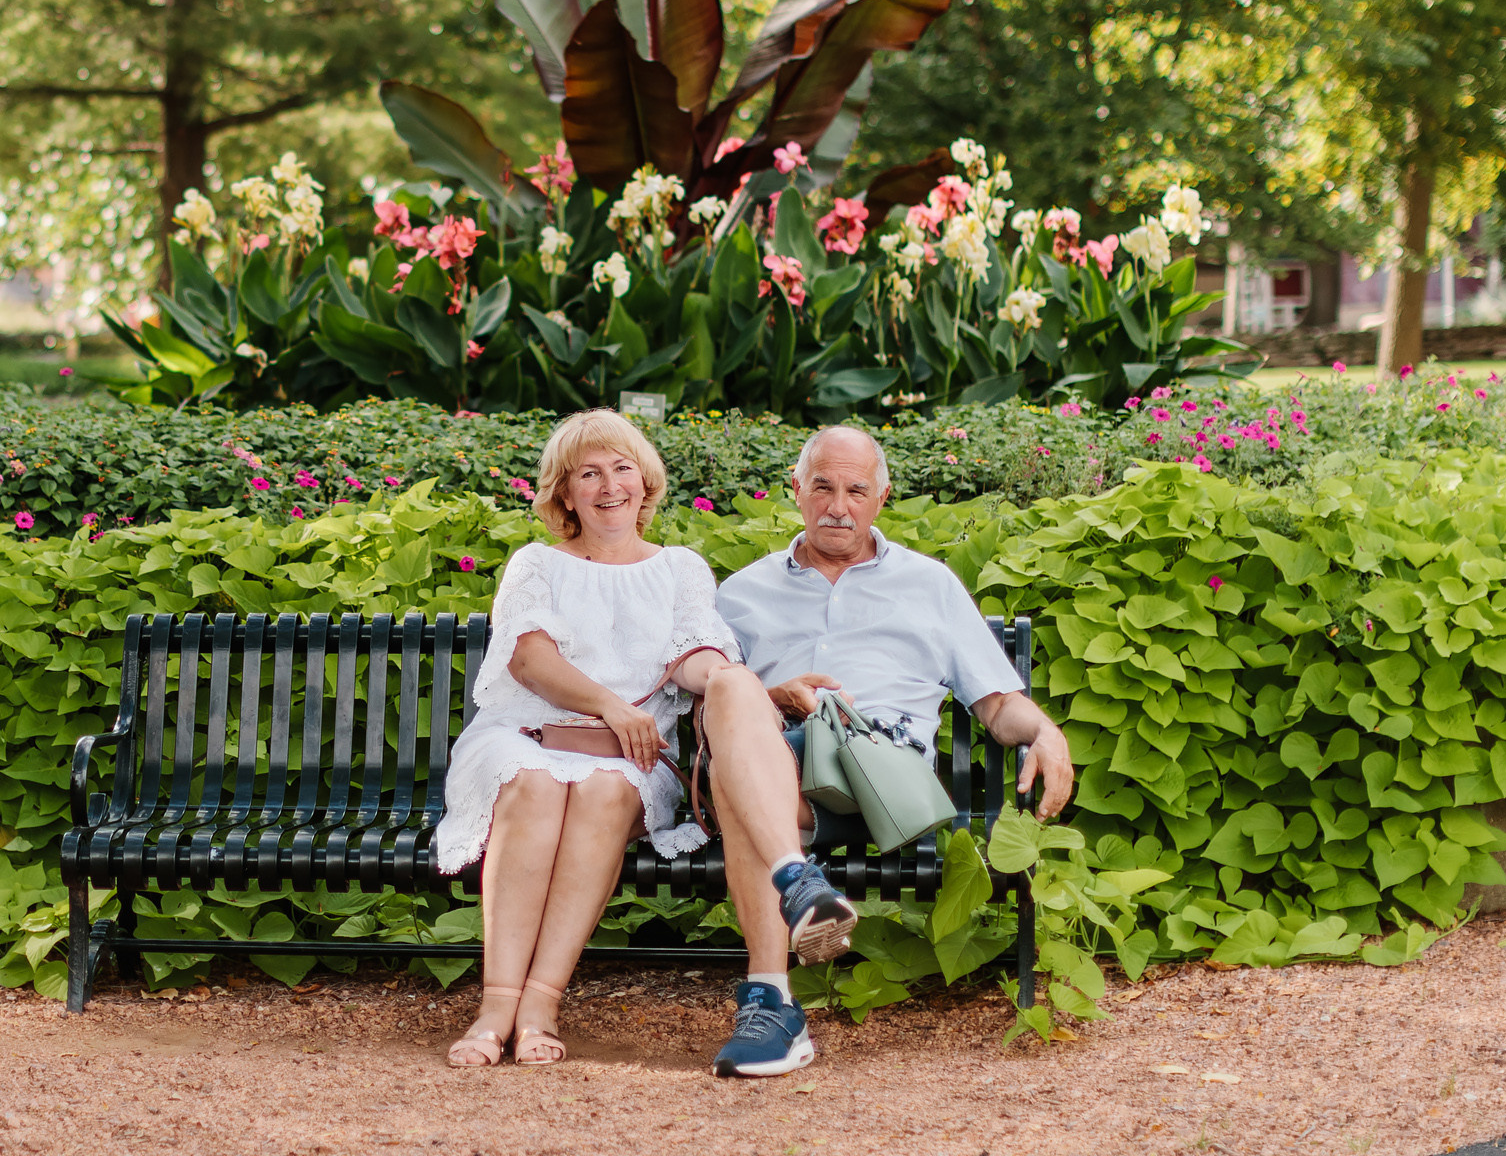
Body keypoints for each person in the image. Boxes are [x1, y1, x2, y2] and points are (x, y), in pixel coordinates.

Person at [435, 408, 805, 1069]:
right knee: (537, 783)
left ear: (646, 480)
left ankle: (542, 1002)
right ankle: (496, 1005)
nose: (610, 485)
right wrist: (611, 706)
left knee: (605, 791)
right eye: (589, 473)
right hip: (525, 734)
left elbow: (694, 653)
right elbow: (529, 661)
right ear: (565, 493)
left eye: (623, 467)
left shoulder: (681, 568)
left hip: (623, 760)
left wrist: (725, 678)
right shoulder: (537, 563)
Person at [707, 423, 1077, 1078]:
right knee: (733, 690)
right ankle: (799, 887)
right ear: (796, 489)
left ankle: (769, 1000)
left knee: (737, 788)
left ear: (882, 496)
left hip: (881, 774)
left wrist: (1046, 730)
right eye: (822, 486)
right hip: (782, 766)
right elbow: (709, 708)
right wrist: (775, 694)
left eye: (855, 489)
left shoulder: (928, 585)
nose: (837, 506)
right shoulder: (740, 593)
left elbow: (994, 702)